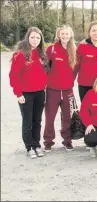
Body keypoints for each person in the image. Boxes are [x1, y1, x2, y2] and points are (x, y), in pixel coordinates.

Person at [9, 27, 48, 158]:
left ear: (41, 39)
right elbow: (14, 75)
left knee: (37, 120)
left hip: (40, 93)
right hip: (26, 93)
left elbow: (46, 73)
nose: (35, 40)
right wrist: (18, 94)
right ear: (28, 38)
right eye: (32, 37)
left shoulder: (42, 54)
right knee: (28, 121)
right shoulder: (20, 55)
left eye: (38, 37)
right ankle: (29, 147)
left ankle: (37, 145)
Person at [43, 25, 77, 152]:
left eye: (67, 34)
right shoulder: (51, 49)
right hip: (53, 90)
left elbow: (76, 69)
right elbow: (45, 67)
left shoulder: (74, 49)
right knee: (50, 116)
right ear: (58, 35)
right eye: (62, 34)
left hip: (68, 90)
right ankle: (48, 141)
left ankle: (67, 140)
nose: (64, 36)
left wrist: (70, 82)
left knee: (67, 116)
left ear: (70, 35)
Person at [74, 21, 97, 101]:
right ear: (89, 32)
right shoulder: (82, 46)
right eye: (93, 30)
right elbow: (76, 65)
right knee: (86, 109)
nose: (96, 33)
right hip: (84, 84)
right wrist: (71, 80)